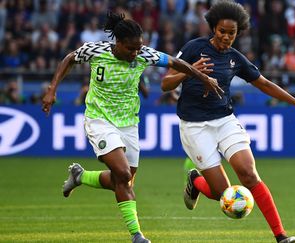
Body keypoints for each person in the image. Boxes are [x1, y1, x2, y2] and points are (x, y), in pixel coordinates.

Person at [42, 11, 223, 243]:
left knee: (123, 182)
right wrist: (52, 89)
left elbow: (176, 62)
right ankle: (137, 235)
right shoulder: (95, 51)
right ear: (117, 43)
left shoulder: (144, 55)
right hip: (99, 120)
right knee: (123, 174)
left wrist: (202, 78)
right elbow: (69, 59)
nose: (135, 53)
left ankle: (80, 176)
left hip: (129, 125)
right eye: (130, 48)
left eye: (139, 48)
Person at [161, 1, 295, 242]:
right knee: (222, 193)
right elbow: (165, 84)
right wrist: (191, 71)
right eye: (222, 31)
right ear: (213, 28)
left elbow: (265, 84)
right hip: (194, 126)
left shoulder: (236, 59)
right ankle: (196, 181)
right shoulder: (194, 48)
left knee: (248, 174)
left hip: (225, 120)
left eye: (231, 33)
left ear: (238, 33)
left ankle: (281, 236)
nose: (226, 37)